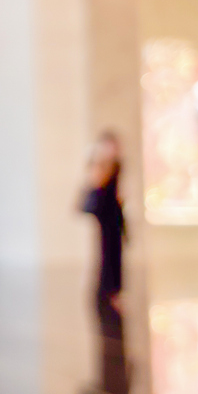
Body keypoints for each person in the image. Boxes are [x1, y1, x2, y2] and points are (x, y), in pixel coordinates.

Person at [82, 131, 126, 311]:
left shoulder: (117, 164)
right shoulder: (101, 163)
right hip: (105, 214)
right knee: (106, 253)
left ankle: (115, 290)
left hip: (115, 213)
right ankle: (107, 290)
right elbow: (96, 183)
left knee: (116, 253)